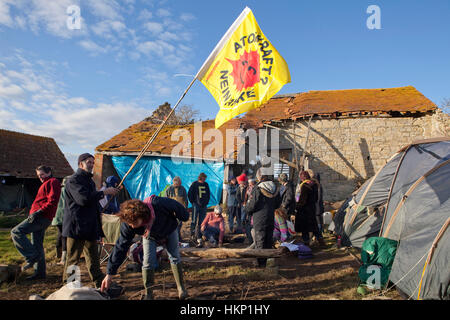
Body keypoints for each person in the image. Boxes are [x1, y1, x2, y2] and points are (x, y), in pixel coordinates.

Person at [100, 196, 189, 300]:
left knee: (174, 257)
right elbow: (121, 246)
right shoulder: (129, 225)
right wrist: (110, 273)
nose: (132, 226)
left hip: (169, 229)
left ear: (142, 216)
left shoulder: (158, 204)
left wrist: (183, 216)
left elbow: (176, 206)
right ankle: (149, 293)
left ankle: (181, 288)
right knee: (147, 261)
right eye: (130, 224)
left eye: (134, 223)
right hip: (149, 235)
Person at [62, 153, 119, 289]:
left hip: (90, 226)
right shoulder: (73, 180)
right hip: (77, 226)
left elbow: (92, 201)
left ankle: (99, 283)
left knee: (93, 258)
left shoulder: (89, 181)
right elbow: (83, 199)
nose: (91, 165)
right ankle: (70, 286)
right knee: (73, 259)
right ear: (80, 164)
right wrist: (104, 193)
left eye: (93, 163)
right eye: (89, 162)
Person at [11, 165, 61, 281]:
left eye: (42, 174)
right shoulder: (46, 183)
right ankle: (40, 273)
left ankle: (31, 256)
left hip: (41, 217)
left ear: (49, 172)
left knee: (16, 231)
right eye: (39, 176)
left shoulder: (53, 182)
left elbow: (52, 201)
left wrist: (38, 212)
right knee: (37, 244)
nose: (40, 177)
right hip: (40, 216)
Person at [245, 169, 281, 267]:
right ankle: (267, 262)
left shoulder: (257, 188)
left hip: (259, 218)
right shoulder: (275, 187)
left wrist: (247, 210)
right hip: (270, 217)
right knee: (268, 240)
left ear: (259, 177)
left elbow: (252, 205)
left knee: (259, 241)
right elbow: (278, 204)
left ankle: (260, 264)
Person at [295, 171, 324, 246]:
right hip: (312, 209)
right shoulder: (314, 185)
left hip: (304, 211)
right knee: (314, 227)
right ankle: (321, 242)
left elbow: (302, 200)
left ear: (302, 177)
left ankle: (306, 244)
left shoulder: (305, 186)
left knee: (305, 229)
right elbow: (316, 198)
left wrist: (297, 207)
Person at [188, 173, 210, 247]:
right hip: (196, 205)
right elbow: (190, 194)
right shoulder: (194, 184)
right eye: (204, 178)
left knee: (201, 222)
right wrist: (193, 202)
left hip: (203, 206)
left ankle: (199, 235)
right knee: (194, 220)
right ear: (200, 178)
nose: (204, 179)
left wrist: (206, 202)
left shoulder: (206, 185)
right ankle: (192, 234)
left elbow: (208, 194)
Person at [52, 176, 70, 266]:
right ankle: (63, 258)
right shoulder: (67, 191)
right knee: (64, 236)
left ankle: (57, 254)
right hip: (63, 215)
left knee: (60, 234)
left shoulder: (58, 189)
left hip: (56, 216)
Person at [165, 176, 188, 242]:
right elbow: (165, 200)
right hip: (171, 210)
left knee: (179, 224)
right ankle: (173, 238)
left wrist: (185, 208)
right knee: (172, 224)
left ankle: (178, 237)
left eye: (179, 183)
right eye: (177, 183)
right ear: (174, 183)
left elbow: (185, 200)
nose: (179, 184)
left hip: (180, 209)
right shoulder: (169, 189)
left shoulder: (182, 189)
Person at [307, 169, 325, 237]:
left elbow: (318, 198)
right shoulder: (316, 186)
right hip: (316, 207)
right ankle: (318, 236)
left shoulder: (318, 186)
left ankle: (319, 236)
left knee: (318, 222)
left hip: (317, 207)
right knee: (317, 222)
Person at [243, 178, 256, 244]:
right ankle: (249, 238)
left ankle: (251, 239)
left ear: (253, 182)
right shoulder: (248, 188)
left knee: (250, 223)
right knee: (247, 222)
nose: (249, 184)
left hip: (252, 207)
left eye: (250, 183)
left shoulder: (255, 188)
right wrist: (245, 202)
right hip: (248, 206)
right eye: (249, 183)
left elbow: (252, 197)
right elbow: (246, 196)